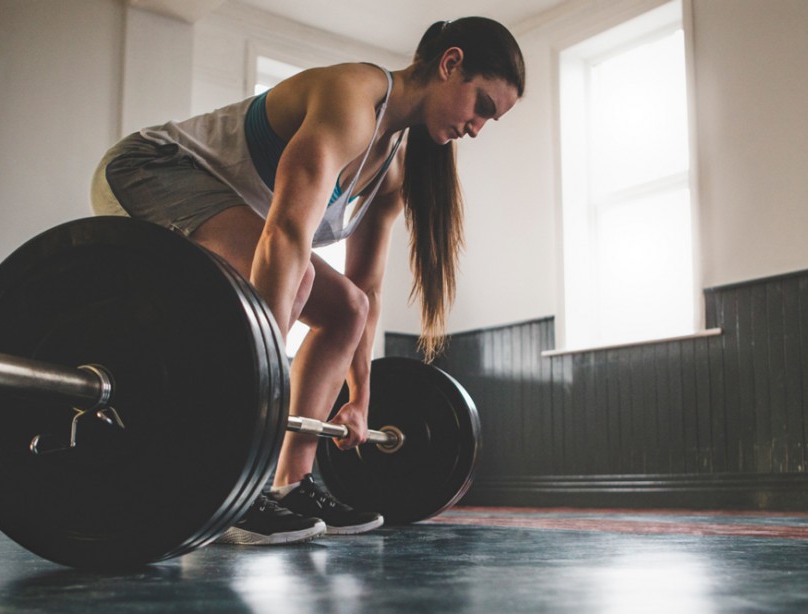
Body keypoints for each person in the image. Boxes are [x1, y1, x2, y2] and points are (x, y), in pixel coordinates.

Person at [90, 17, 525, 545]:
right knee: (290, 286)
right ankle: (233, 485)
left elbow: (365, 288)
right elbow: (286, 236)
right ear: (450, 63)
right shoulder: (352, 97)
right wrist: (264, 379)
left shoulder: (390, 169)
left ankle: (292, 484)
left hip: (228, 212)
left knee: (347, 308)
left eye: (490, 120)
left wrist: (361, 395)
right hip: (149, 170)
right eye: (482, 106)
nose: (477, 128)